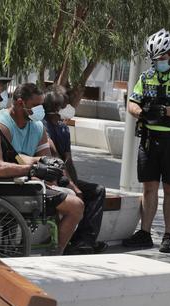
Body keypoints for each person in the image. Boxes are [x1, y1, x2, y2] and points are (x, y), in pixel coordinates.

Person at [0, 73, 83, 255]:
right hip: (2, 190)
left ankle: (21, 248)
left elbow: (12, 157)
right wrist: (34, 168)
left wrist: (40, 160)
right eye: (0, 88)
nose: (2, 94)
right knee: (76, 206)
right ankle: (53, 256)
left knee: (61, 191)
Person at [122, 28, 170, 253]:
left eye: (163, 58)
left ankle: (168, 235)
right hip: (149, 139)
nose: (159, 62)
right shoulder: (146, 77)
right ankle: (145, 233)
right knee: (149, 188)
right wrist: (141, 113)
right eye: (155, 59)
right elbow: (132, 103)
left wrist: (165, 111)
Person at [42, 85, 108, 255]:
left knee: (97, 191)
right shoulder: (43, 126)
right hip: (51, 177)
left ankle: (84, 241)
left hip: (65, 176)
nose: (70, 108)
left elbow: (67, 159)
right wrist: (72, 186)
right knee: (75, 192)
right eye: (66, 104)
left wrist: (75, 182)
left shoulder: (63, 128)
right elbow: (54, 159)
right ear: (58, 108)